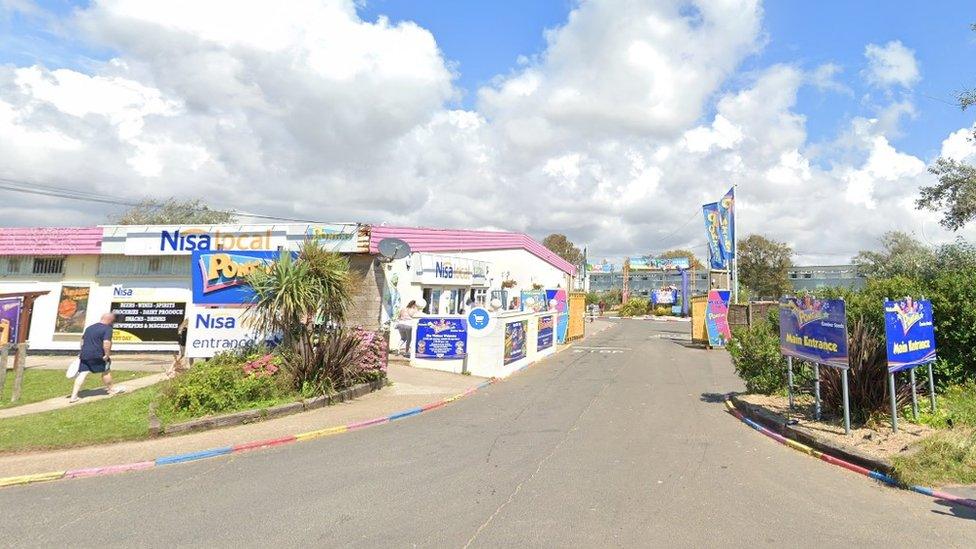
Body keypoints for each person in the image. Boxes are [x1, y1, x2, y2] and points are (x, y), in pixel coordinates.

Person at [70, 313, 125, 403]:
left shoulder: (89, 328)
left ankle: (74, 396)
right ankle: (111, 390)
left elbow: (82, 341)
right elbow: (106, 343)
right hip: (98, 355)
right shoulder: (107, 329)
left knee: (82, 374)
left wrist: (82, 351)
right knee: (106, 371)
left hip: (85, 354)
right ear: (110, 320)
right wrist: (107, 355)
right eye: (113, 321)